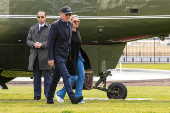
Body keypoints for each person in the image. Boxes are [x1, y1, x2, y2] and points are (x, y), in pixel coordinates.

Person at [47, 6, 83, 104]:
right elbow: (50, 43)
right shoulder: (55, 25)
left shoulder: (70, 24)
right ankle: (73, 98)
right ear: (61, 14)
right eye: (66, 14)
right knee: (66, 76)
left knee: (55, 79)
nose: (68, 16)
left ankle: (49, 99)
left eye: (69, 14)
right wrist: (50, 58)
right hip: (57, 55)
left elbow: (69, 41)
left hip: (65, 55)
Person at [56, 15, 91, 103]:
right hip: (70, 57)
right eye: (75, 21)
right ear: (70, 22)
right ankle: (60, 93)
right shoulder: (67, 33)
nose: (77, 23)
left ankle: (79, 97)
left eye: (78, 21)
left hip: (78, 56)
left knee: (82, 76)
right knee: (73, 78)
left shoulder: (78, 33)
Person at [26, 11, 52, 100]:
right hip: (35, 56)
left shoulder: (50, 28)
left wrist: (41, 44)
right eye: (38, 16)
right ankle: (37, 96)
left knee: (47, 78)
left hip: (46, 56)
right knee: (36, 78)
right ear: (37, 17)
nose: (40, 18)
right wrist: (34, 44)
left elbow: (52, 41)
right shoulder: (32, 28)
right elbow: (28, 40)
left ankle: (48, 96)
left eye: (42, 16)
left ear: (45, 17)